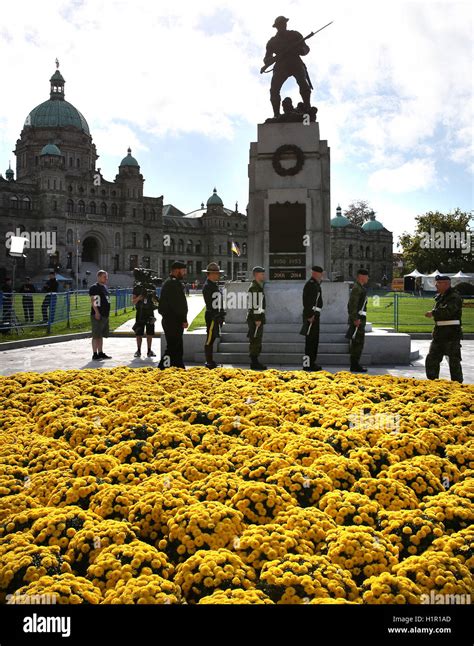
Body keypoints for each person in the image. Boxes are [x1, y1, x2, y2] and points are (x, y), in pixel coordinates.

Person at [262, 16, 312, 118]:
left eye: (284, 23)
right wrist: (271, 60)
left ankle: (307, 108)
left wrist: (301, 50)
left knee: (303, 83)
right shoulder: (272, 41)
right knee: (274, 90)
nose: (283, 25)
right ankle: (276, 114)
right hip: (281, 66)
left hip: (295, 62)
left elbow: (305, 48)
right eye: (280, 24)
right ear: (276, 26)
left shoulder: (295, 34)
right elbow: (267, 58)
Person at [425, 275, 463, 383]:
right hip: (439, 334)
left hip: (451, 335)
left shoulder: (454, 297)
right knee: (432, 359)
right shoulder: (441, 297)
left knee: (453, 361)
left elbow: (448, 312)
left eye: (438, 283)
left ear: (446, 284)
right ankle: (432, 383)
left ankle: (457, 385)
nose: (436, 285)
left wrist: (433, 313)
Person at [157, 261, 188, 369]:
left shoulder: (170, 282)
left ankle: (179, 367)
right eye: (183, 271)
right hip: (173, 320)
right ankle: (162, 368)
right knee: (172, 347)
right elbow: (178, 305)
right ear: (177, 270)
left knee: (177, 347)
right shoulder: (173, 284)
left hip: (171, 320)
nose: (184, 273)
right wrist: (183, 319)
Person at [202, 262, 226, 369]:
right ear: (210, 274)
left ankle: (210, 360)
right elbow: (210, 303)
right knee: (210, 338)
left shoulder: (213, 285)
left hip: (215, 315)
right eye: (216, 273)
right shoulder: (208, 286)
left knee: (213, 337)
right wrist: (216, 314)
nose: (218, 275)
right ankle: (208, 361)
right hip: (212, 315)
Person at [300, 266, 324, 372]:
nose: (321, 275)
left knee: (314, 341)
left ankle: (312, 363)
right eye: (320, 273)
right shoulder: (310, 285)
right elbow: (307, 301)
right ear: (315, 273)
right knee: (309, 342)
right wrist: (309, 315)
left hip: (315, 316)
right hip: (311, 317)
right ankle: (307, 365)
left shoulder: (316, 284)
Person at [346, 269, 369, 373]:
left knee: (359, 343)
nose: (368, 278)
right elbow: (352, 305)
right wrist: (355, 319)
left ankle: (355, 364)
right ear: (361, 277)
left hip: (360, 319)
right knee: (357, 343)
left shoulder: (360, 287)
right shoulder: (357, 288)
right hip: (358, 320)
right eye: (366, 276)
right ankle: (354, 365)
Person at [247, 266, 267, 370]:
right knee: (255, 340)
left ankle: (255, 361)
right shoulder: (254, 287)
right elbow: (254, 305)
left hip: (258, 318)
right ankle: (254, 362)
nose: (263, 275)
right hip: (255, 319)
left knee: (257, 340)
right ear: (256, 275)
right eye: (261, 274)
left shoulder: (258, 286)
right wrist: (257, 319)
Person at [89, 270, 112, 361]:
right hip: (98, 314)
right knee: (96, 335)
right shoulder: (94, 287)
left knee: (101, 335)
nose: (106, 278)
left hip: (105, 315)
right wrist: (97, 312)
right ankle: (95, 354)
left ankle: (101, 352)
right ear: (98, 277)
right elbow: (93, 300)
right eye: (104, 276)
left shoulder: (105, 287)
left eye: (106, 276)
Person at [132, 279, 157, 358]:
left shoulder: (151, 287)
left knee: (150, 333)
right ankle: (138, 350)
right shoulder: (137, 288)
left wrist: (153, 298)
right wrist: (139, 298)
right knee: (138, 333)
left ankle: (149, 350)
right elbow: (133, 301)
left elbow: (155, 301)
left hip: (149, 312)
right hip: (140, 313)